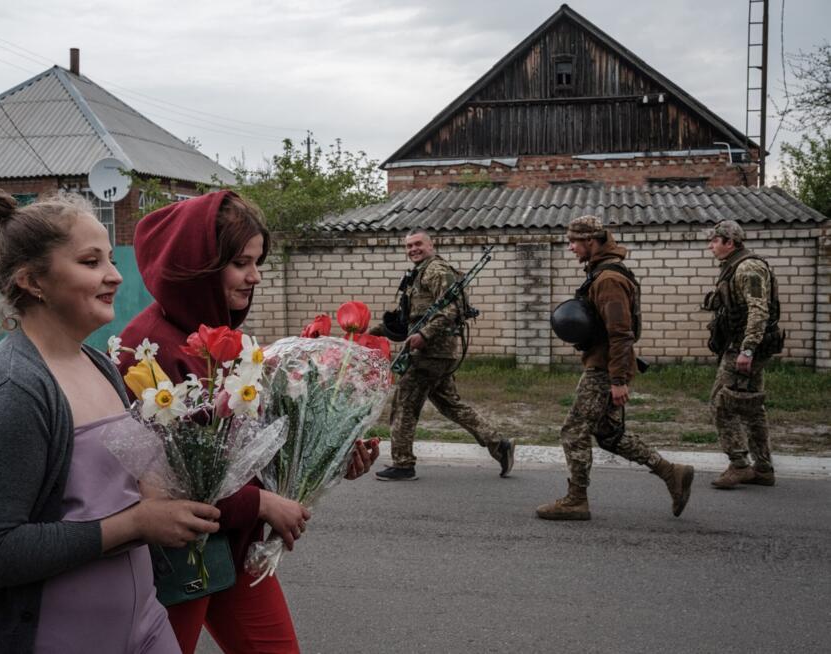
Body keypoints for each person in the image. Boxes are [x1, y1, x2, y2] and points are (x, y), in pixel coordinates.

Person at [0, 190, 221, 654]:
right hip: (59, 636)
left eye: (110, 260)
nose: (114, 275)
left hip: (146, 625)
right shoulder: (14, 392)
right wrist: (137, 524)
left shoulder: (98, 364)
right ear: (33, 280)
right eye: (90, 262)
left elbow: (127, 478)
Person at [116, 190, 378, 654]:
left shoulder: (230, 341)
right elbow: (160, 482)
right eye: (241, 263)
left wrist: (329, 461)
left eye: (257, 262)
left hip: (233, 552)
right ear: (197, 266)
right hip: (181, 558)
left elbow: (250, 448)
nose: (255, 277)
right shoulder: (146, 347)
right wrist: (258, 504)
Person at [536, 215, 694, 521]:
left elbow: (621, 333)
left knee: (573, 431)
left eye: (574, 242)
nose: (570, 248)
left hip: (604, 370)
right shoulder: (602, 273)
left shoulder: (608, 279)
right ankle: (671, 473)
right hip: (605, 365)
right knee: (609, 434)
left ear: (591, 242)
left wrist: (618, 379)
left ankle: (576, 499)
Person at [371, 228, 516, 481]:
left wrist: (424, 335)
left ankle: (403, 464)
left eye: (418, 244)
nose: (413, 249)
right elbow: (406, 319)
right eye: (409, 246)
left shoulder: (436, 271)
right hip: (436, 353)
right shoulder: (419, 273)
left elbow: (451, 308)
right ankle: (498, 444)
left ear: (431, 245)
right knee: (450, 404)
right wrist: (370, 332)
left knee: (404, 404)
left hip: (430, 353)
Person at [703, 220, 783, 489]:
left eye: (714, 240)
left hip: (745, 348)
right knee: (751, 409)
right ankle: (763, 468)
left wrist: (747, 350)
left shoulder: (748, 268)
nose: (710, 245)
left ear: (730, 242)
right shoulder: (734, 266)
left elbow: (759, 311)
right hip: (743, 345)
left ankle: (739, 465)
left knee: (721, 404)